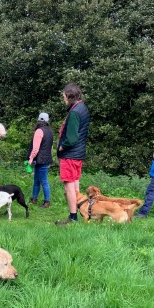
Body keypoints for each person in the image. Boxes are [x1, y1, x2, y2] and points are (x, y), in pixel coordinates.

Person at [55, 83, 90, 225]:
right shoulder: (83, 107)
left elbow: (72, 138)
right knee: (75, 184)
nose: (63, 98)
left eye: (64, 95)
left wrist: (62, 147)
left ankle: (73, 217)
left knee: (69, 187)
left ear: (69, 96)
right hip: (78, 154)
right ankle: (81, 212)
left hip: (70, 154)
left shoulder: (75, 112)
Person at [27, 112, 53, 209]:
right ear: (47, 121)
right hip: (46, 159)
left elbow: (35, 148)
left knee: (44, 181)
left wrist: (30, 159)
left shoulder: (39, 131)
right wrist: (50, 159)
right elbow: (50, 147)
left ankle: (47, 201)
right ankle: (34, 198)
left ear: (38, 120)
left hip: (40, 159)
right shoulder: (50, 131)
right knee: (37, 180)